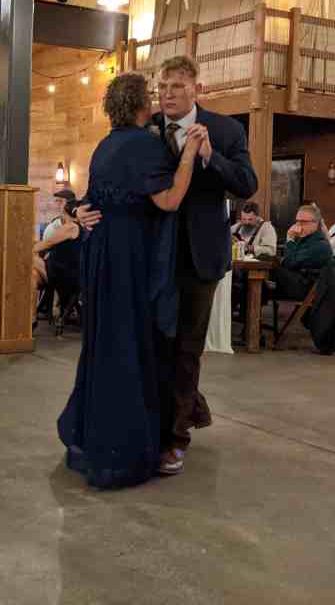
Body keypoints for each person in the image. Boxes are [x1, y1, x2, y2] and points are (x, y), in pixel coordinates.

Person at [82, 55, 257, 476]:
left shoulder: (226, 130)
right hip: (149, 255)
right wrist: (80, 210)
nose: (168, 94)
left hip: (199, 255)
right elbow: (117, 177)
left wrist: (211, 156)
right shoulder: (146, 129)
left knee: (186, 348)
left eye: (177, 86)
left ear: (198, 88)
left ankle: (175, 440)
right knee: (155, 343)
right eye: (162, 87)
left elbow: (247, 185)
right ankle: (179, 412)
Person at [58, 73, 203, 489]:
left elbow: (93, 199)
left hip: (101, 252)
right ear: (142, 104)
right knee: (129, 343)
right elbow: (169, 200)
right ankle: (122, 448)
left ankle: (94, 434)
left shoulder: (105, 146)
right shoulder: (144, 145)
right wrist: (190, 153)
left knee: (105, 342)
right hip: (129, 255)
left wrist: (79, 212)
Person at [32, 198, 82, 329]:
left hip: (64, 275)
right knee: (32, 276)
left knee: (24, 257)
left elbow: (47, 243)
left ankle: (4, 297)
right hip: (61, 271)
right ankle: (31, 318)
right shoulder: (76, 227)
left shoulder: (71, 227)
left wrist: (27, 249)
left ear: (65, 212)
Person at [270, 204, 335, 301]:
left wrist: (290, 239)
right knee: (264, 264)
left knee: (266, 272)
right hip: (295, 283)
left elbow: (290, 263)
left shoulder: (320, 246)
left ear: (316, 223)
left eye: (303, 222)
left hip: (304, 290)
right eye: (297, 221)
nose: (298, 225)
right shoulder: (306, 239)